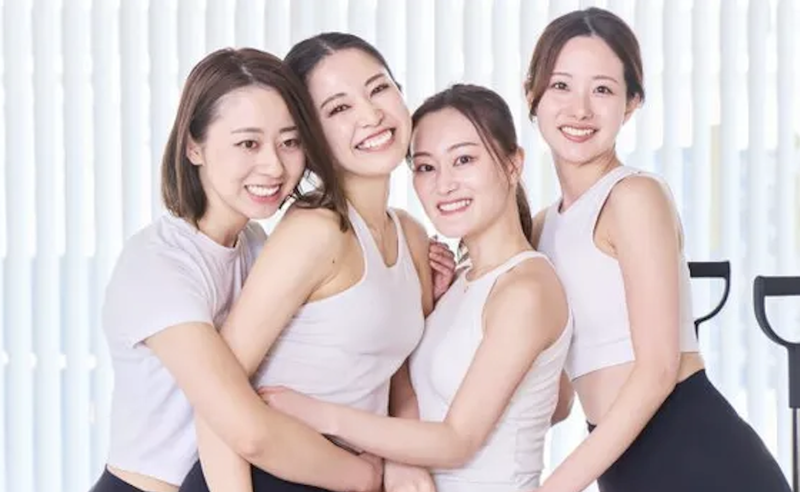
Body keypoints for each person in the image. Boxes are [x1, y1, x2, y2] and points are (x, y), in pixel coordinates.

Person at [90, 48, 383, 492]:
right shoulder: (157, 265)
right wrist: (364, 476)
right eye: (248, 143)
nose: (274, 165)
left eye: (289, 142)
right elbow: (245, 429)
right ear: (193, 146)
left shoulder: (256, 244)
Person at [524, 8, 792, 492]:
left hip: (695, 456)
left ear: (631, 104)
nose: (579, 109)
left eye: (602, 89)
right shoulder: (543, 228)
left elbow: (658, 369)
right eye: (561, 86)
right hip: (624, 464)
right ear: (532, 95)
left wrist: (553, 488)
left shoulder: (634, 196)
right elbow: (559, 397)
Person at [261, 83, 573, 492]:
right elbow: (557, 400)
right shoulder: (463, 282)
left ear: (513, 164)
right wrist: (433, 307)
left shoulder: (526, 289)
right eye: (425, 167)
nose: (444, 185)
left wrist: (319, 415)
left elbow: (457, 441)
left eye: (463, 159)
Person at [180, 33, 455, 492]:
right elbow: (217, 401)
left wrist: (403, 458)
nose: (370, 115)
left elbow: (397, 376)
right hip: (267, 478)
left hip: (347, 476)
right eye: (339, 108)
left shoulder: (410, 234)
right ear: (311, 135)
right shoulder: (316, 230)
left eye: (378, 88)